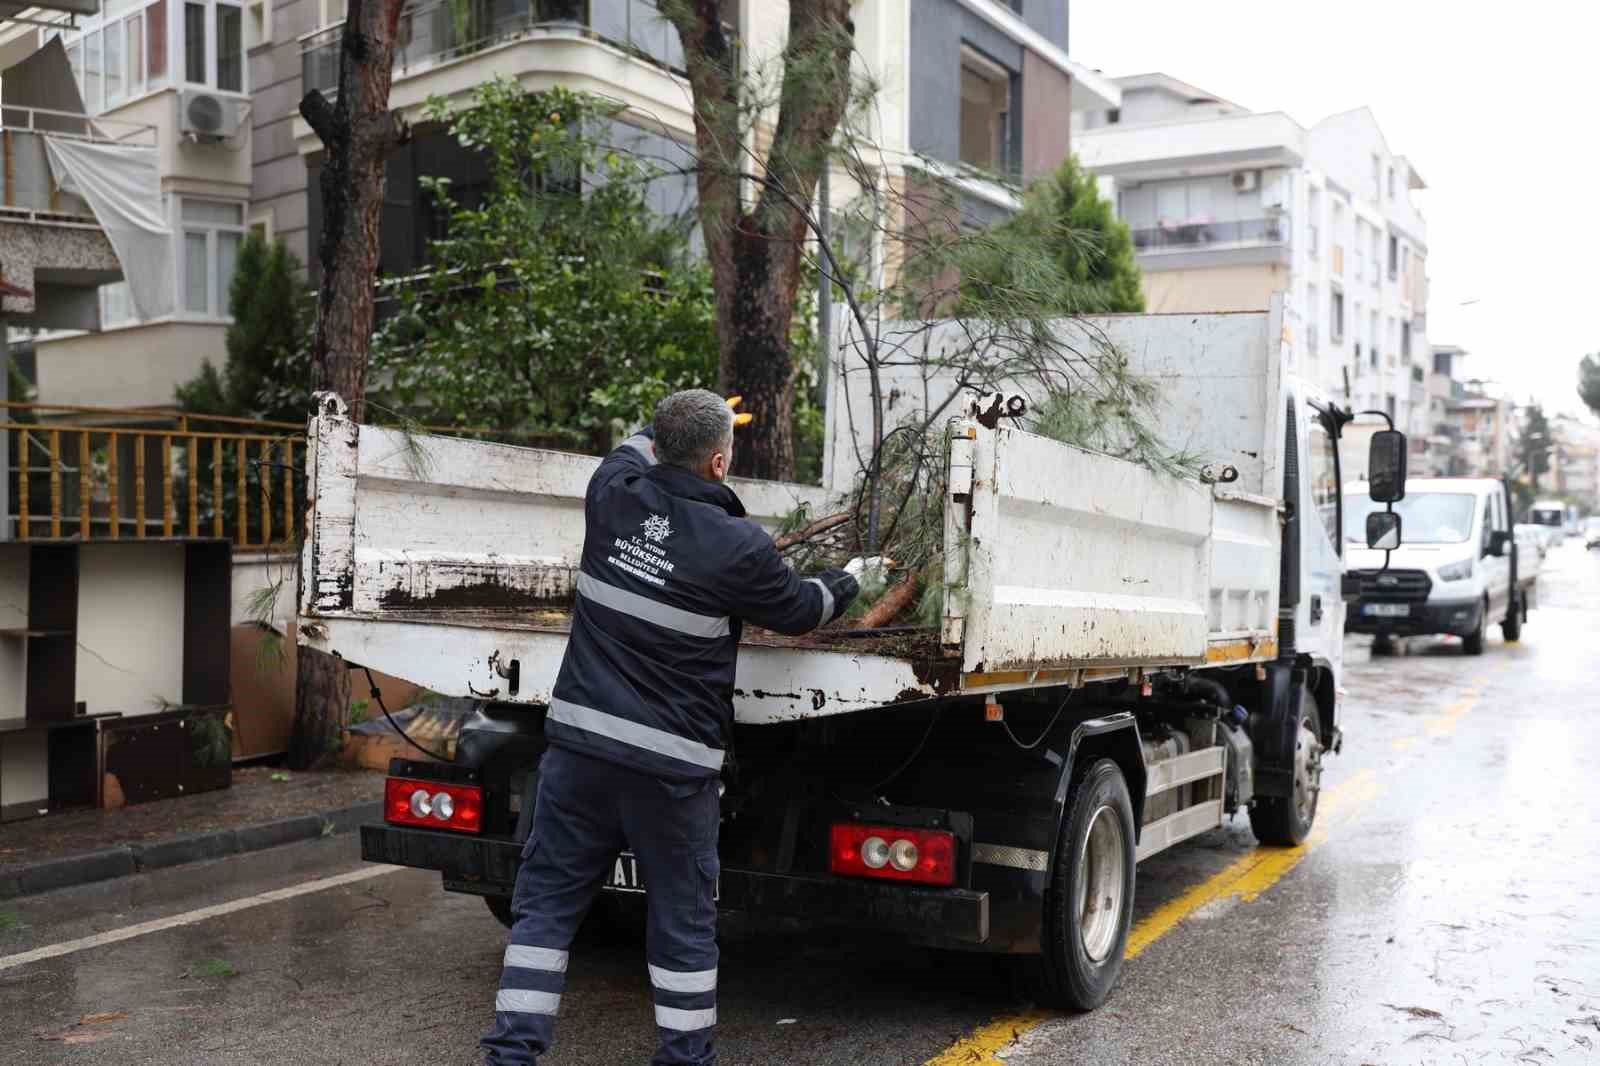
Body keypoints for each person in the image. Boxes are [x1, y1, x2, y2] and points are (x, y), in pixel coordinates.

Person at [481, 389, 860, 1066]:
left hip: (578, 757)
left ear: (657, 445)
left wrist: (675, 418)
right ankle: (684, 1059)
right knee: (682, 925)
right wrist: (850, 579)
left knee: (544, 912)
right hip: (671, 774)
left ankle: (511, 1056)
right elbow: (801, 608)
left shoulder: (612, 495)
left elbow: (632, 445)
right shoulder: (738, 546)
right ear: (719, 464)